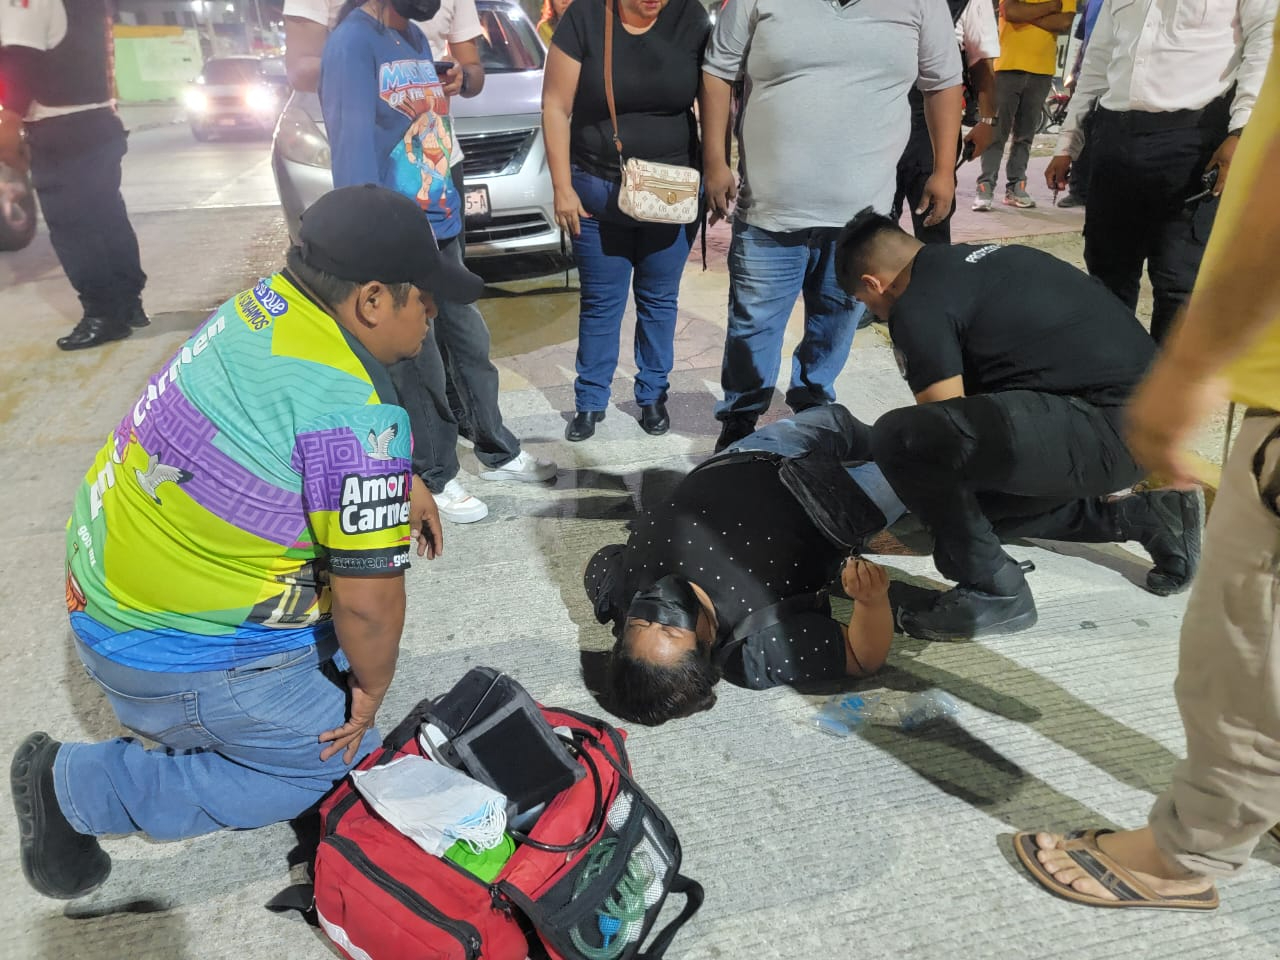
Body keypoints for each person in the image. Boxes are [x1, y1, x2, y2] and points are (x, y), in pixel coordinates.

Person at [8, 184, 475, 900]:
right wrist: (370, 693)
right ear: (373, 301)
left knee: (336, 664)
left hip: (110, 589)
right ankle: (79, 789)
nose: (435, 310)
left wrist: (395, 477)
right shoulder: (351, 414)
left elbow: (283, 421)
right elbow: (371, 606)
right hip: (167, 648)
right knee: (328, 760)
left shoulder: (262, 307)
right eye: (426, 296)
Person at [1014, 20, 1280, 909]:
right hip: (1127, 136)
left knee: (1243, 640)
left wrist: (1185, 371)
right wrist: (1079, 135)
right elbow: (1101, 58)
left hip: (1192, 138)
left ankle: (1188, 855)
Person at [834, 208, 1202, 641]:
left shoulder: (918, 302)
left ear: (873, 283)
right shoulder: (987, 261)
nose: (873, 312)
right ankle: (1141, 516)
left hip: (1106, 429)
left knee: (902, 439)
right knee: (970, 520)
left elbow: (943, 430)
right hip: (1141, 426)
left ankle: (994, 591)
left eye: (866, 303)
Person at [321, 0, 556, 524]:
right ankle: (433, 473)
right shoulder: (352, 45)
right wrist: (374, 243)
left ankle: (495, 447)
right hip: (399, 236)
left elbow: (433, 131)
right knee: (418, 361)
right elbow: (353, 156)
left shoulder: (413, 40)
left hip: (442, 223)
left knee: (468, 341)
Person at [702, 0, 964, 453]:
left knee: (836, 323)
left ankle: (814, 411)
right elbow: (717, 69)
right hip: (769, 209)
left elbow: (943, 83)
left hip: (861, 219)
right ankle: (741, 419)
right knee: (753, 326)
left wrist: (945, 169)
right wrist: (715, 160)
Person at [585, 405, 904, 725]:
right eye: (669, 629)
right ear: (705, 649)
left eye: (638, 624)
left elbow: (599, 561)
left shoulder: (620, 593)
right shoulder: (753, 652)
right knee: (923, 449)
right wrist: (871, 601)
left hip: (759, 451)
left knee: (842, 421)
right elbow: (863, 657)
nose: (656, 609)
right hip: (839, 502)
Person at [1045, 0, 1275, 343]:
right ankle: (1113, 383)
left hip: (1193, 143)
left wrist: (1240, 131)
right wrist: (1067, 144)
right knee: (1107, 275)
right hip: (1114, 137)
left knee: (1178, 281)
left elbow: (1264, 46)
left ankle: (1159, 390)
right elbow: (1098, 58)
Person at [542, 0, 710, 442]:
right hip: (598, 191)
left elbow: (715, 94)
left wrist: (716, 165)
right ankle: (590, 400)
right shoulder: (586, 17)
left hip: (671, 193)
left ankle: (652, 395)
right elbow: (556, 106)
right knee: (601, 302)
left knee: (659, 301)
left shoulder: (689, 16)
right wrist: (562, 187)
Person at [0, 0, 149, 351]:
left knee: (74, 228)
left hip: (61, 128)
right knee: (107, 219)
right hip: (99, 121)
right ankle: (128, 305)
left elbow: (22, 62)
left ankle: (102, 315)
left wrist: (8, 123)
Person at [892, 0, 1001, 243]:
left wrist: (986, 120)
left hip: (930, 130)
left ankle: (932, 277)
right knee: (874, 229)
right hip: (881, 121)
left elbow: (981, 63)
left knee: (933, 224)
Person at [973, 0, 1076, 212]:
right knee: (996, 131)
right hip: (1007, 65)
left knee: (1025, 135)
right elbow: (1010, 11)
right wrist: (1050, 7)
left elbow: (1065, 21)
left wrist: (1027, 13)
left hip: (1042, 69)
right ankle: (985, 187)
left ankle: (1016, 187)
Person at [1053, 0, 1104, 209]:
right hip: (1089, 75)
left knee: (1103, 139)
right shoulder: (1093, 3)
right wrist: (1074, 72)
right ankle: (1078, 190)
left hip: (1116, 83)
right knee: (1082, 134)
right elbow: (1084, 41)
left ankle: (1096, 190)